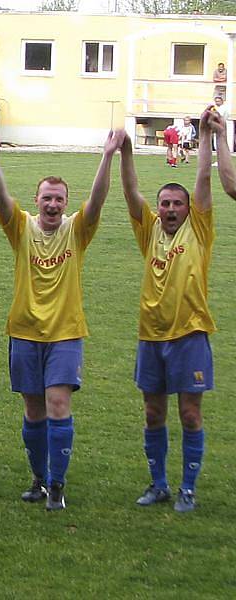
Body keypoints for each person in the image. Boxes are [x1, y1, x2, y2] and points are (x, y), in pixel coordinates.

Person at [0, 127, 122, 511]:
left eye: (59, 199)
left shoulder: (77, 230)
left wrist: (107, 155)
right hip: (24, 331)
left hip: (65, 333)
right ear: (37, 201)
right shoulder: (21, 227)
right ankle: (39, 479)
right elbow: (0, 197)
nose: (53, 204)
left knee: (58, 404)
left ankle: (57, 485)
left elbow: (98, 199)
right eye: (47, 198)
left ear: (66, 203)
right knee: (33, 410)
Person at [119, 109, 218, 513]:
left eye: (178, 203)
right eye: (165, 203)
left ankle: (188, 488)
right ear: (158, 208)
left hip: (190, 335)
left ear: (188, 208)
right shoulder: (150, 230)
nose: (172, 209)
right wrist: (125, 151)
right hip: (151, 334)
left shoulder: (200, 228)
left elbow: (205, 181)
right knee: (153, 411)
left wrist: (209, 138)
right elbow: (129, 193)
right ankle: (159, 484)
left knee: (190, 413)